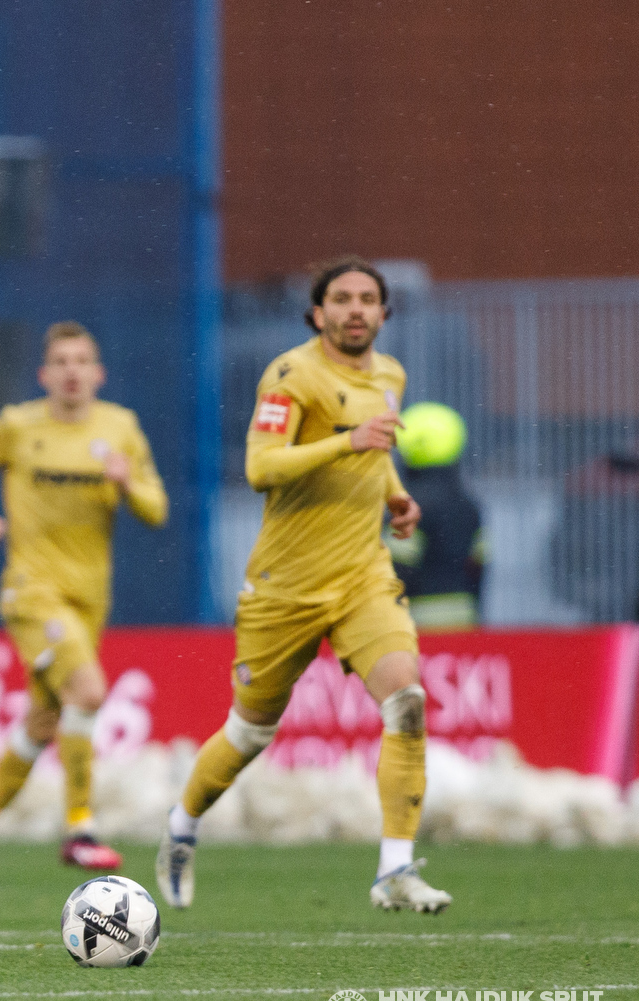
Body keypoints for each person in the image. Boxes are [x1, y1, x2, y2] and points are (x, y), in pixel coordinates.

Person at [156, 257, 451, 914]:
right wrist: (348, 441)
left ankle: (395, 870)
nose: (355, 309)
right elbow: (262, 466)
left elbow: (376, 451)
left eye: (367, 299)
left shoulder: (390, 375)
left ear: (383, 312)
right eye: (341, 299)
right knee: (249, 733)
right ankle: (182, 823)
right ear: (316, 313)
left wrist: (397, 494)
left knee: (406, 700)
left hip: (363, 576)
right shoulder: (292, 376)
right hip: (284, 586)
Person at [0, 322, 166, 885]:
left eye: (83, 361)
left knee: (45, 719)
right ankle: (80, 828)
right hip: (32, 592)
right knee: (90, 692)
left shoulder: (120, 428)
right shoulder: (18, 426)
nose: (73, 371)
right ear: (45, 375)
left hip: (90, 597)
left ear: (99, 373)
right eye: (61, 362)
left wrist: (128, 485)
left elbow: (157, 509)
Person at [387, 402, 487, 630]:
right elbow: (478, 570)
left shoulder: (408, 507)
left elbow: (398, 572)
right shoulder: (469, 507)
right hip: (464, 622)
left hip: (415, 626)